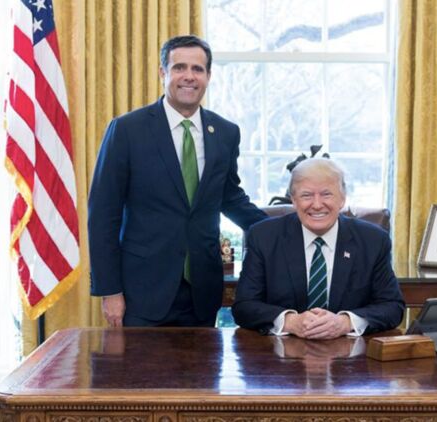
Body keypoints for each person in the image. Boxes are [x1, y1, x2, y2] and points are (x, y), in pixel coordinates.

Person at [88, 35, 267, 327]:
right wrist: (110, 290)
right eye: (179, 67)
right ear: (163, 72)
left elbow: (230, 197)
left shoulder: (225, 132)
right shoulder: (127, 130)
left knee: (203, 361)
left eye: (197, 69)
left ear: (208, 76)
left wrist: (281, 231)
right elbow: (102, 215)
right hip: (142, 292)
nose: (189, 76)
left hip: (202, 291)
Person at [232, 158, 405, 339]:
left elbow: (392, 307)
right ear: (294, 200)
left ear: (342, 199)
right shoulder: (264, 237)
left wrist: (346, 322)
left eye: (326, 194)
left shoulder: (373, 241)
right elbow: (244, 306)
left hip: (351, 351)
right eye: (306, 195)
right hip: (279, 350)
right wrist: (290, 321)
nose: (316, 205)